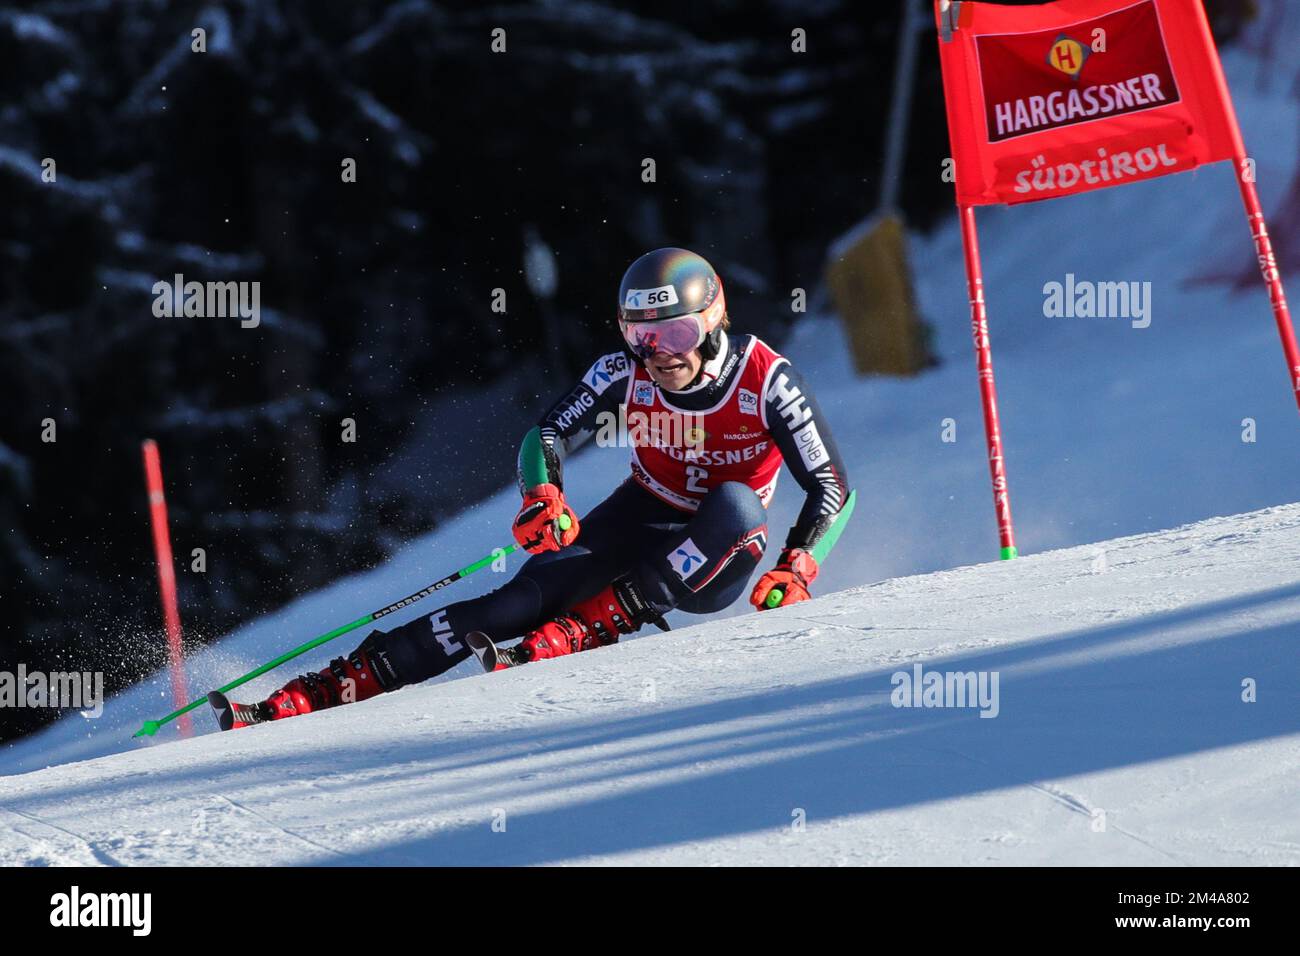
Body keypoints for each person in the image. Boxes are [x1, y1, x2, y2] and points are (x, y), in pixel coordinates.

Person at [211, 247, 854, 730]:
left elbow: (831, 486)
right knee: (513, 604)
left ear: (712, 322)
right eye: (643, 337)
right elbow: (544, 438)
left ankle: (590, 626)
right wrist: (541, 497)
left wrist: (800, 564)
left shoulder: (767, 380)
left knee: (736, 504)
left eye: (677, 334)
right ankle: (322, 691)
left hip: (718, 554)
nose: (660, 355)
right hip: (644, 515)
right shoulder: (618, 372)